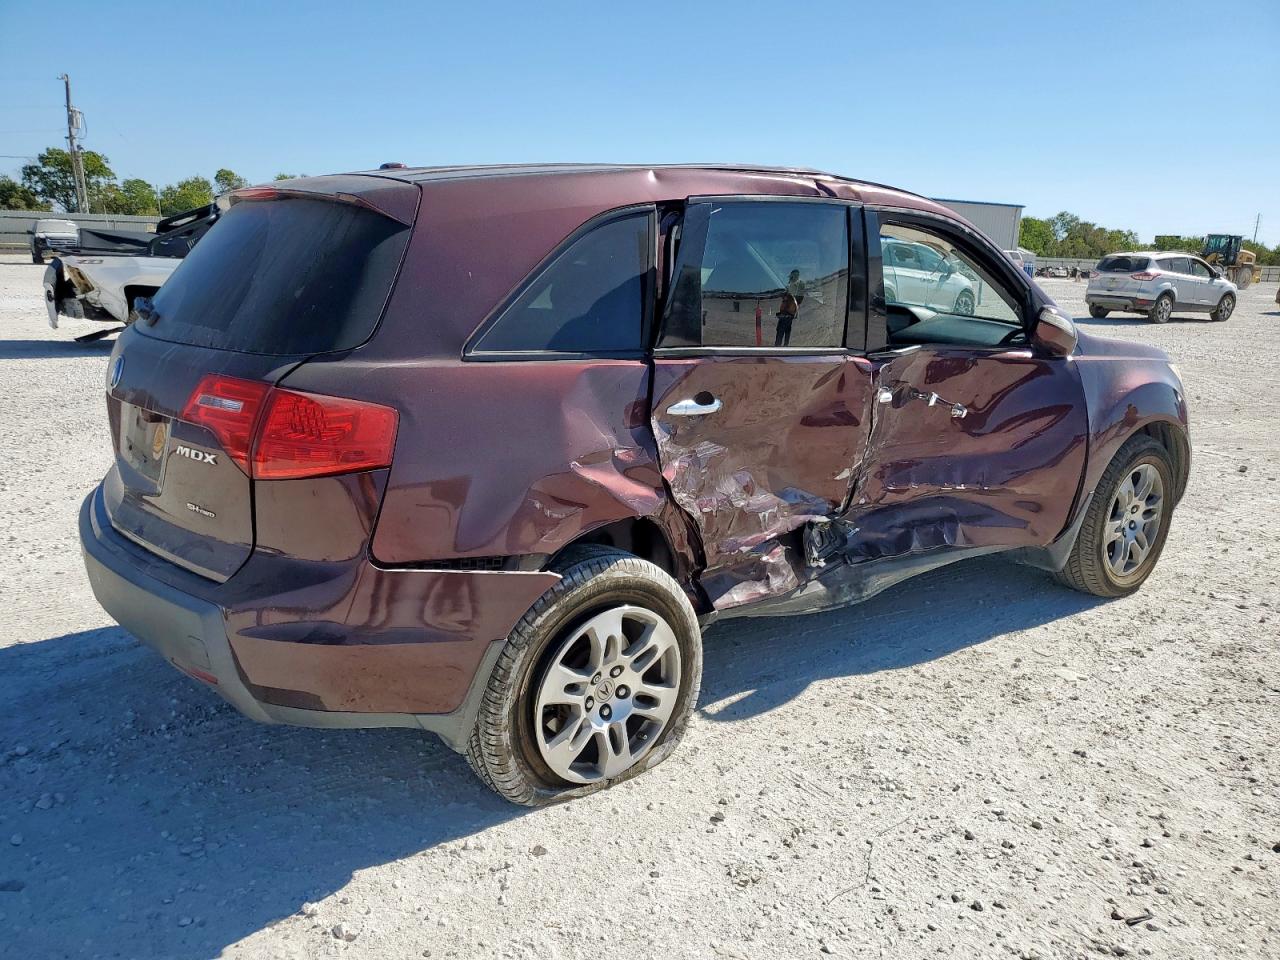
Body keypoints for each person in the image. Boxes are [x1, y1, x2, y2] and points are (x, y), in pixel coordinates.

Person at [776, 269, 804, 347]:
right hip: (787, 312)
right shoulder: (794, 286)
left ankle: (778, 349)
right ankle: (783, 347)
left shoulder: (796, 286)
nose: (790, 279)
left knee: (781, 332)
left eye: (791, 277)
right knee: (785, 332)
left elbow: (796, 299)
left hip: (788, 313)